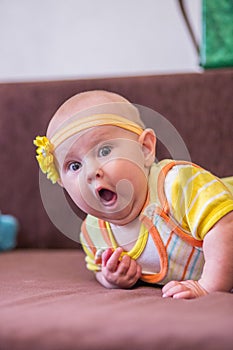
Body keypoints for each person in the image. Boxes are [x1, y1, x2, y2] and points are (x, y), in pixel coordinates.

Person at [34, 90, 233, 299]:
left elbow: (225, 226)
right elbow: (97, 268)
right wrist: (111, 277)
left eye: (104, 151)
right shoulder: (95, 232)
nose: (91, 172)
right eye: (74, 165)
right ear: (62, 184)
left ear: (145, 149)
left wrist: (208, 286)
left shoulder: (177, 185)